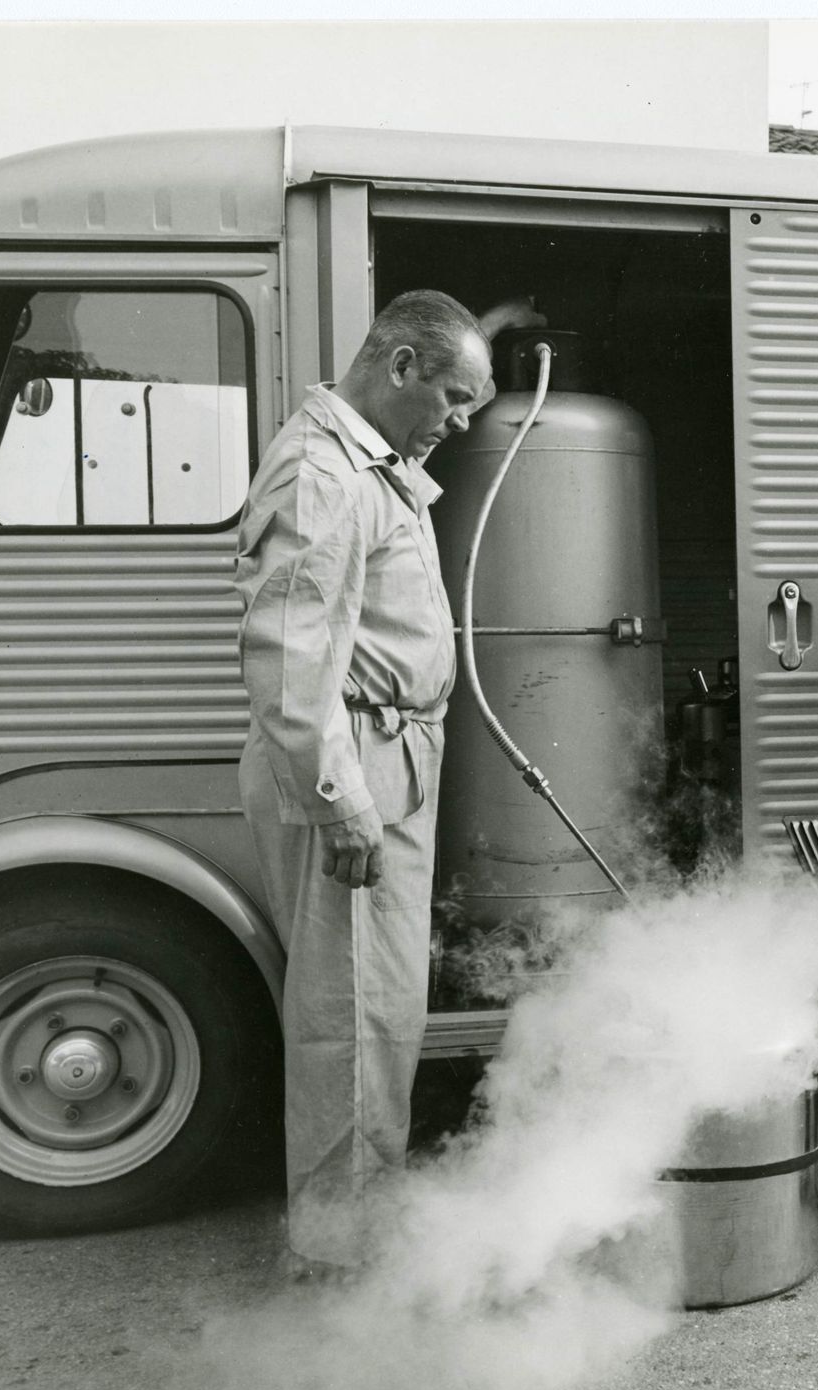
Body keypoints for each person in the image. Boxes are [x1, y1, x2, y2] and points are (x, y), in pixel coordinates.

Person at [235, 288, 538, 1277]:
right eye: (454, 398)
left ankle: (352, 1242)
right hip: (351, 762)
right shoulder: (324, 473)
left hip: (384, 754)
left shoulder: (374, 463)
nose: (460, 422)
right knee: (351, 1026)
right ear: (400, 366)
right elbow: (292, 652)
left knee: (381, 1014)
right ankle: (338, 1271)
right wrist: (340, 801)